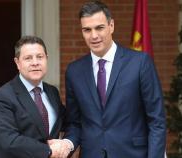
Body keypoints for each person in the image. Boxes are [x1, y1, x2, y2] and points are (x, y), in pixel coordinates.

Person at [56, 1, 167, 158]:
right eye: (87, 30)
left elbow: (157, 121)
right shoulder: (74, 71)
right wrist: (67, 144)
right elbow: (75, 123)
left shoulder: (140, 62)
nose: (93, 36)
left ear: (111, 26)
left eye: (99, 28)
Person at [0, 36, 68, 158]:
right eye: (28, 58)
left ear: (47, 59)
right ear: (17, 63)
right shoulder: (1, 98)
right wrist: (48, 151)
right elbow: (10, 141)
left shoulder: (52, 92)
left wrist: (68, 143)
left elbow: (67, 122)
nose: (35, 63)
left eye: (40, 57)